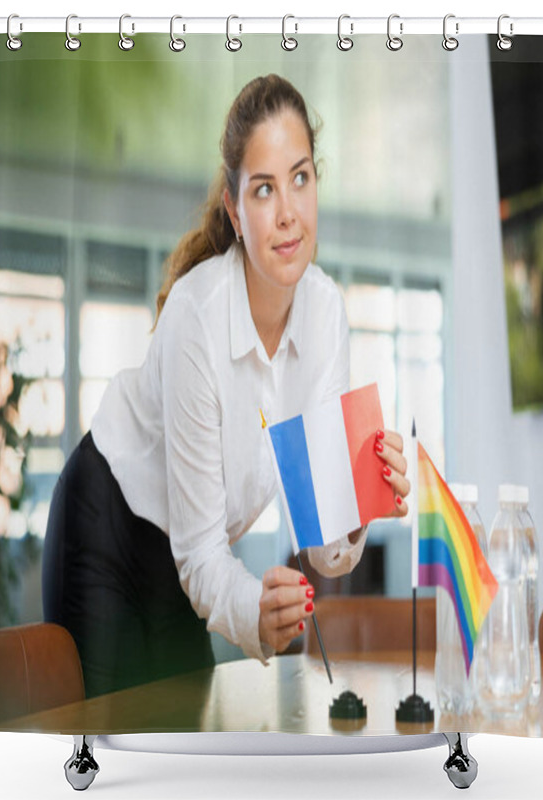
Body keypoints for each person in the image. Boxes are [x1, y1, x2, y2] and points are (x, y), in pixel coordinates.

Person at [42, 74, 410, 699]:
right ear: (236, 212)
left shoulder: (325, 313)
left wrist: (356, 503)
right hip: (107, 522)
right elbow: (202, 553)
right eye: (264, 190)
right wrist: (254, 611)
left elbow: (322, 544)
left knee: (186, 729)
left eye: (301, 178)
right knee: (116, 737)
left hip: (189, 557)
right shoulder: (196, 315)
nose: (288, 211)